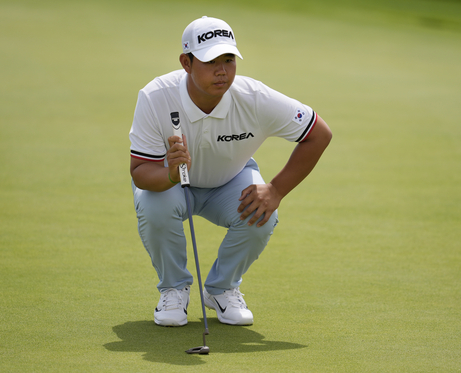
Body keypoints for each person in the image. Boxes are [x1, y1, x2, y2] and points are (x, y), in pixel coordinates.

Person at [129, 16, 332, 327]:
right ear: (186, 62)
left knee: (262, 211)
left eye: (228, 59)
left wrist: (276, 190)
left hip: (229, 180)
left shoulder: (254, 98)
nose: (222, 70)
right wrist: (170, 174)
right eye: (211, 61)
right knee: (155, 205)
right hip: (172, 184)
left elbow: (319, 134)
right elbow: (140, 172)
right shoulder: (155, 96)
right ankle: (174, 288)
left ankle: (222, 289)